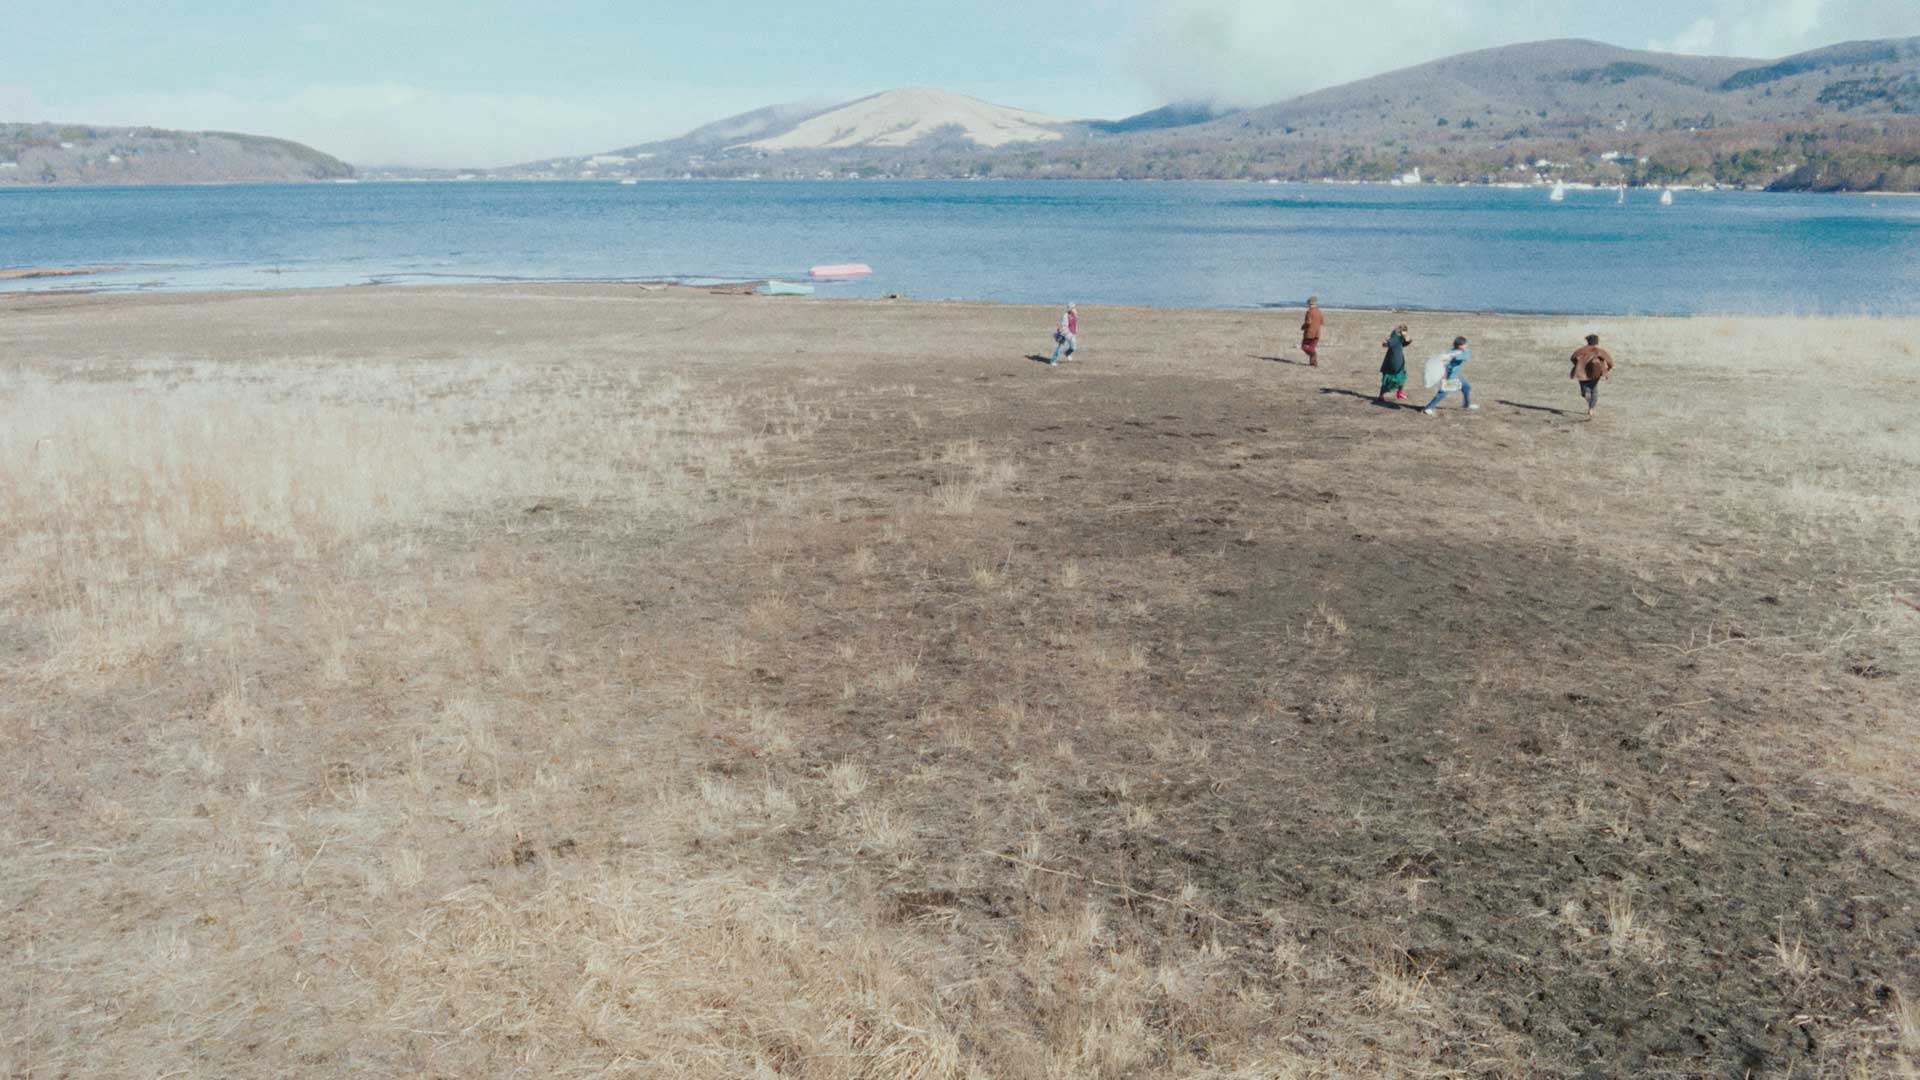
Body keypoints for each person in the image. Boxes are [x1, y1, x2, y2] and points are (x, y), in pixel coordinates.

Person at [1420, 336, 1478, 415]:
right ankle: (1428, 408)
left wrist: (1452, 355)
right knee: (1443, 393)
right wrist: (1447, 357)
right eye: (1464, 344)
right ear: (1459, 346)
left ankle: (1466, 405)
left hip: (1457, 376)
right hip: (1451, 377)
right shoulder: (1452, 352)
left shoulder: (1462, 351)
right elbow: (1450, 359)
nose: (1466, 346)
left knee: (1466, 387)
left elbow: (1465, 356)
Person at [1569, 333, 1614, 419]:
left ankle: (1586, 394)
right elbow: (1610, 362)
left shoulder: (1582, 350)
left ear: (1588, 342)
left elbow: (1572, 357)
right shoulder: (1599, 350)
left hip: (1581, 372)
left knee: (1584, 389)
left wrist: (1578, 364)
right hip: (1595, 372)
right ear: (1597, 342)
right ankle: (1591, 409)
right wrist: (1607, 369)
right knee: (1594, 390)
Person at [1377, 323, 1411, 403]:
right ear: (1401, 331)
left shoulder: (1400, 338)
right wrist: (1385, 342)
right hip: (1392, 363)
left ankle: (1399, 393)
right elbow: (1386, 344)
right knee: (1387, 380)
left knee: (1402, 377)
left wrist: (1408, 340)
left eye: (1406, 331)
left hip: (1398, 362)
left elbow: (1403, 344)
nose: (1406, 332)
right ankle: (1381, 396)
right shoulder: (1395, 338)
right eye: (1405, 331)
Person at [1301, 297, 1324, 366]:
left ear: (1309, 303)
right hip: (1317, 333)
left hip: (1309, 334)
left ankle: (1313, 355)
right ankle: (1313, 363)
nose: (1309, 305)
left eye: (1309, 304)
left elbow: (1308, 322)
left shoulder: (1309, 312)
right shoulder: (1319, 311)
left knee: (1304, 347)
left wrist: (1303, 327)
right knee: (1312, 347)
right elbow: (1322, 322)